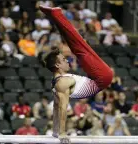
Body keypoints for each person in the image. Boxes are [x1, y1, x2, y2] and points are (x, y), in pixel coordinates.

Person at [40, 6, 113, 141]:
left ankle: (55, 15)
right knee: (77, 44)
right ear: (57, 65)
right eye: (63, 60)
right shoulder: (61, 83)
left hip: (98, 78)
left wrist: (58, 131)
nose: (67, 60)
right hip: (102, 77)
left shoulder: (58, 82)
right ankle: (56, 14)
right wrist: (60, 133)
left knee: (75, 43)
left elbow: (58, 107)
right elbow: (61, 107)